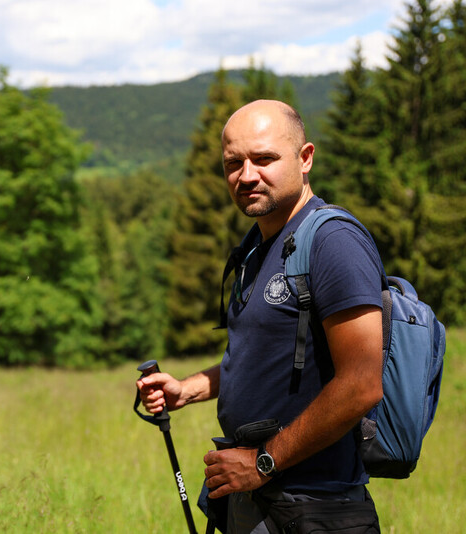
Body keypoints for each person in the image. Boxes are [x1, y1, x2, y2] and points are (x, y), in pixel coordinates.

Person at [137, 100, 384, 532]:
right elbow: (261, 354)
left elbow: (361, 384)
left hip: (315, 506)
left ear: (305, 158)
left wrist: (264, 463)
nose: (246, 175)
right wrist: (187, 389)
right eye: (234, 162)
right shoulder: (257, 247)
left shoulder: (333, 242)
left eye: (264, 158)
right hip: (255, 502)